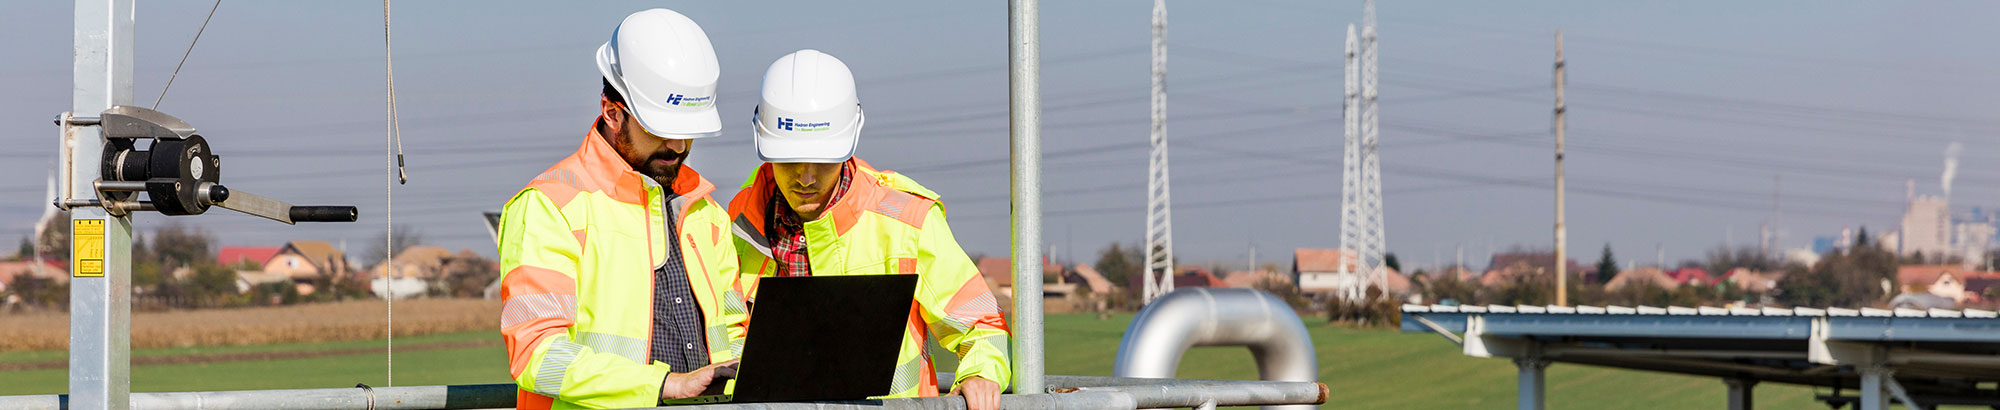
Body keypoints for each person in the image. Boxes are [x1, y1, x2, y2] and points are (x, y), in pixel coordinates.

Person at [726, 49, 1011, 410]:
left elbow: (981, 324)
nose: (806, 178)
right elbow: (724, 342)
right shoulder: (738, 222)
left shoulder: (907, 219)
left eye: (823, 161)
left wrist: (981, 373)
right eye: (790, 160)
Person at [497, 9, 746, 409]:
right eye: (660, 128)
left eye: (689, 132)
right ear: (613, 111)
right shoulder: (549, 207)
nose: (679, 146)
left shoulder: (705, 213)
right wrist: (663, 385)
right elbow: (536, 354)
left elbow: (733, 334)